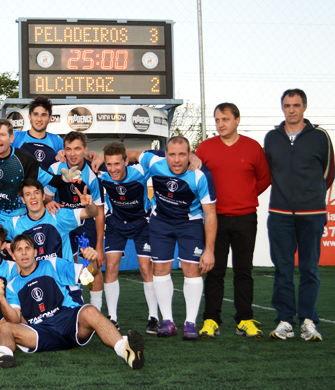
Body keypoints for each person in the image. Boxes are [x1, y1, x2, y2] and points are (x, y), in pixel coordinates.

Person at [0, 234, 144, 370]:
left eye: (28, 248)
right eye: (19, 250)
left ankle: (125, 350)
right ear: (13, 256)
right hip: (41, 332)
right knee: (4, 327)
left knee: (89, 310)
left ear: (35, 252)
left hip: (68, 321)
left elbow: (86, 278)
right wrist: (0, 297)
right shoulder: (13, 286)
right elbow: (14, 319)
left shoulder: (52, 263)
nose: (24, 252)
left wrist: (91, 262)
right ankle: (3, 356)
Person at [196, 103, 271, 339]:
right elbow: (195, 177)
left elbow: (264, 179)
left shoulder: (253, 147)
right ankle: (211, 320)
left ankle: (245, 320)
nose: (220, 124)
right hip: (214, 219)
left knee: (243, 271)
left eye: (225, 119)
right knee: (214, 271)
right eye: (217, 120)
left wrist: (245, 196)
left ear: (237, 120)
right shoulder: (205, 148)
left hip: (245, 218)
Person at [264, 89, 334, 341]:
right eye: (286, 105)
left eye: (296, 105)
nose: (291, 110)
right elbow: (268, 170)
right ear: (282, 108)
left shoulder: (320, 136)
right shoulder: (272, 137)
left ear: (304, 107)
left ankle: (308, 321)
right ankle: (285, 321)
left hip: (312, 214)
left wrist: (311, 197)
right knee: (282, 269)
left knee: (309, 269)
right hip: (280, 214)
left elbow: (328, 172)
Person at [136, 136, 217, 340]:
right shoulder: (154, 161)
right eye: (172, 154)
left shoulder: (200, 175)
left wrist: (209, 250)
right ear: (165, 155)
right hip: (161, 222)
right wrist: (100, 158)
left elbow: (211, 214)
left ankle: (190, 323)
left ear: (190, 155)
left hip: (189, 223)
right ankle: (167, 321)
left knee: (191, 269)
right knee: (160, 269)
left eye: (182, 154)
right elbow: (131, 155)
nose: (177, 160)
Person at [97, 142, 158, 333]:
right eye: (109, 164)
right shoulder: (101, 173)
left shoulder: (140, 171)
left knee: (145, 267)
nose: (113, 169)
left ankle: (153, 317)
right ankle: (112, 318)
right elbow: (76, 162)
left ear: (126, 161)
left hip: (141, 223)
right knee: (111, 265)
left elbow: (158, 156)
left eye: (117, 163)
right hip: (116, 223)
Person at [46, 132, 104, 311]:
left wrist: (100, 246)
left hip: (85, 223)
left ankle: (96, 310)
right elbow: (46, 198)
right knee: (65, 265)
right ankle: (70, 306)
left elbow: (99, 213)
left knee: (90, 265)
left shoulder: (92, 175)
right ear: (63, 150)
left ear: (85, 150)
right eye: (68, 149)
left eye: (77, 149)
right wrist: (50, 202)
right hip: (63, 222)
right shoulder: (55, 168)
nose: (72, 154)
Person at [0, 179, 98, 263]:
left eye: (36, 193)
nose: (33, 197)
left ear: (43, 196)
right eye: (28, 194)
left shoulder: (58, 215)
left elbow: (92, 213)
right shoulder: (15, 224)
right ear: (23, 200)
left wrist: (89, 204)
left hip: (62, 283)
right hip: (33, 283)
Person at [0, 119, 68, 225]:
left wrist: (67, 178)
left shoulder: (25, 160)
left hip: (14, 222)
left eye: (2, 135)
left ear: (11, 138)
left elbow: (54, 180)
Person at [11, 96, 64, 171]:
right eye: (36, 114)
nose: (39, 119)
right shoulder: (15, 137)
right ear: (30, 116)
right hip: (23, 182)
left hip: (49, 183)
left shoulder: (57, 141)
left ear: (50, 118)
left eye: (43, 115)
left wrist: (63, 156)